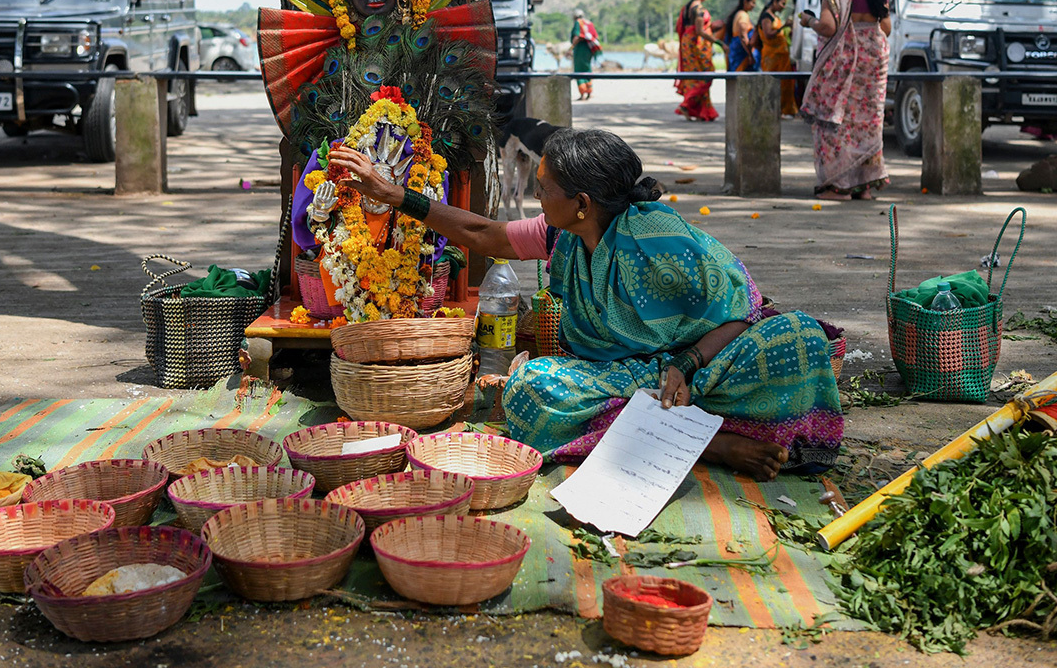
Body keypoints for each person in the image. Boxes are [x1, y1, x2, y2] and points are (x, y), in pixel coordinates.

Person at [326, 128, 843, 481]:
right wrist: (397, 197)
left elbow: (739, 313)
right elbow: (483, 234)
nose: (535, 194)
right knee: (532, 390)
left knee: (797, 338)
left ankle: (675, 428)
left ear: (582, 203)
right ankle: (710, 443)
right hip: (626, 380)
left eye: (544, 187)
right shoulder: (562, 235)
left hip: (699, 370)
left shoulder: (658, 241)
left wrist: (687, 364)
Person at [799, 0, 892, 201]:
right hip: (872, 60)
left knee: (832, 120)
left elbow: (828, 27)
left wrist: (809, 21)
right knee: (868, 122)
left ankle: (836, 187)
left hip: (844, 59)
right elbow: (886, 28)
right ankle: (864, 187)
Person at [674, 0, 726, 122]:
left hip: (688, 43)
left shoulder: (686, 8)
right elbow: (699, 31)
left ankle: (699, 110)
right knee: (706, 74)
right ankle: (687, 104)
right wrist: (719, 42)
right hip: (696, 45)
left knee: (694, 77)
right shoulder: (698, 9)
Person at [758, 0, 798, 116]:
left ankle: (784, 110)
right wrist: (783, 27)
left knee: (785, 83)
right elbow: (768, 33)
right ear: (774, 2)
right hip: (772, 56)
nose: (783, 7)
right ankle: (771, 110)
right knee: (772, 83)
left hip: (781, 56)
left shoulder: (774, 17)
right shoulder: (766, 17)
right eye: (782, 3)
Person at [571, 9, 601, 101]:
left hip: (580, 50)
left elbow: (577, 36)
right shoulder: (589, 23)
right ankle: (589, 92)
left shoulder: (578, 23)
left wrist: (571, 47)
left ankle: (582, 93)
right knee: (587, 69)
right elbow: (595, 36)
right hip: (589, 50)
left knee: (579, 70)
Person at [724, 0, 759, 72]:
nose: (754, 5)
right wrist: (750, 55)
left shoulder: (740, 14)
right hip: (741, 52)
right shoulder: (743, 15)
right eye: (753, 3)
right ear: (745, 2)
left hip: (737, 50)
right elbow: (743, 37)